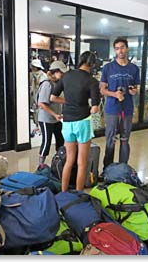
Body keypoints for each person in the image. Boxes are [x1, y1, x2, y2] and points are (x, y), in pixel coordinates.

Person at [51, 51, 100, 191]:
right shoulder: (92, 81)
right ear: (91, 64)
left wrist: (69, 101)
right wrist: (88, 107)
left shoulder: (66, 76)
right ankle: (79, 194)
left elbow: (53, 98)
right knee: (82, 162)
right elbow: (95, 109)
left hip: (66, 122)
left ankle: (64, 192)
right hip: (82, 122)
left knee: (69, 160)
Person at [100, 37, 140, 170]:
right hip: (112, 108)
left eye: (122, 47)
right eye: (117, 48)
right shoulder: (108, 68)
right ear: (115, 50)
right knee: (110, 139)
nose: (120, 51)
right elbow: (102, 89)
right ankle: (107, 169)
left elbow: (136, 88)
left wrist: (134, 91)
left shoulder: (134, 69)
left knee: (125, 139)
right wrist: (114, 94)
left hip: (127, 109)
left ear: (127, 48)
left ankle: (123, 169)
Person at [37, 61, 68, 167]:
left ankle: (58, 162)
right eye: (61, 73)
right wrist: (54, 114)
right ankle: (41, 165)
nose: (63, 75)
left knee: (60, 140)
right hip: (46, 119)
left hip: (56, 118)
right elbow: (41, 103)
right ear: (55, 72)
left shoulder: (57, 84)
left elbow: (57, 100)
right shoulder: (47, 84)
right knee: (47, 141)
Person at [30, 59, 48, 137]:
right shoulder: (31, 75)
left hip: (40, 96)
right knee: (35, 112)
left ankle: (40, 127)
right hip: (34, 96)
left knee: (40, 112)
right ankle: (37, 126)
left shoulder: (43, 75)